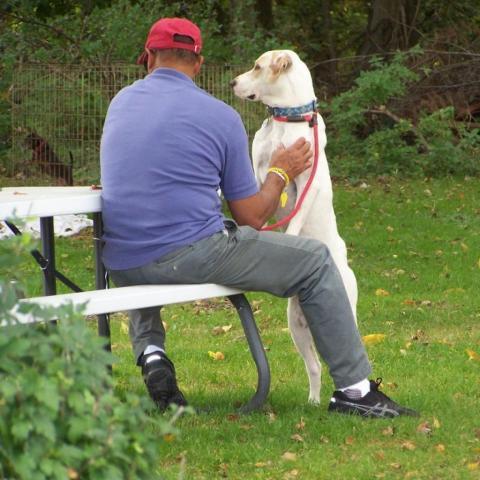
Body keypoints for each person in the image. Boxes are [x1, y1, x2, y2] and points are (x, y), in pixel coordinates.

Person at [100, 17, 418, 418]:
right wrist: (281, 172)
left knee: (146, 241)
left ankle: (152, 354)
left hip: (122, 263)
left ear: (148, 58)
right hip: (192, 255)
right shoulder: (220, 117)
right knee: (317, 261)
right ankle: (355, 391)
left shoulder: (120, 103)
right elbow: (250, 215)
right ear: (198, 64)